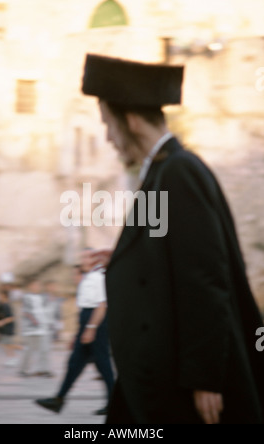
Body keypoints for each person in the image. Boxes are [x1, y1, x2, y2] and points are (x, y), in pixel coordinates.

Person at [80, 54, 264, 424]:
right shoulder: (165, 170)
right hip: (154, 371)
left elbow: (205, 278)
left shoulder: (178, 172)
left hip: (178, 382)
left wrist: (205, 377)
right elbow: (170, 249)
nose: (108, 139)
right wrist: (121, 255)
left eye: (108, 125)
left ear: (130, 120)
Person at [35, 249, 115, 416]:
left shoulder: (99, 277)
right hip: (87, 321)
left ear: (95, 258)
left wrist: (91, 329)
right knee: (74, 364)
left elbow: (102, 305)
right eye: (82, 257)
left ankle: (114, 404)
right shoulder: (89, 276)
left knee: (103, 365)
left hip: (95, 322)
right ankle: (58, 399)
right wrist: (79, 332)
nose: (83, 260)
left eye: (86, 256)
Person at [19, 279, 51, 377]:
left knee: (44, 349)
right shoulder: (27, 297)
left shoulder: (42, 297)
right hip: (31, 329)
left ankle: (44, 369)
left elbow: (45, 311)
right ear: (30, 286)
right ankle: (24, 369)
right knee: (29, 350)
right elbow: (26, 312)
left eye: (38, 285)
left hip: (43, 328)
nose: (37, 287)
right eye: (35, 285)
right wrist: (34, 321)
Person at [0, 288, 16, 366]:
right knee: (6, 344)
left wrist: (1, 322)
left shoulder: (6, 305)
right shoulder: (2, 305)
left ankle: (13, 358)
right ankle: (11, 358)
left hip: (7, 328)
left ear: (4, 296)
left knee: (8, 344)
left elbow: (11, 317)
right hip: (4, 329)